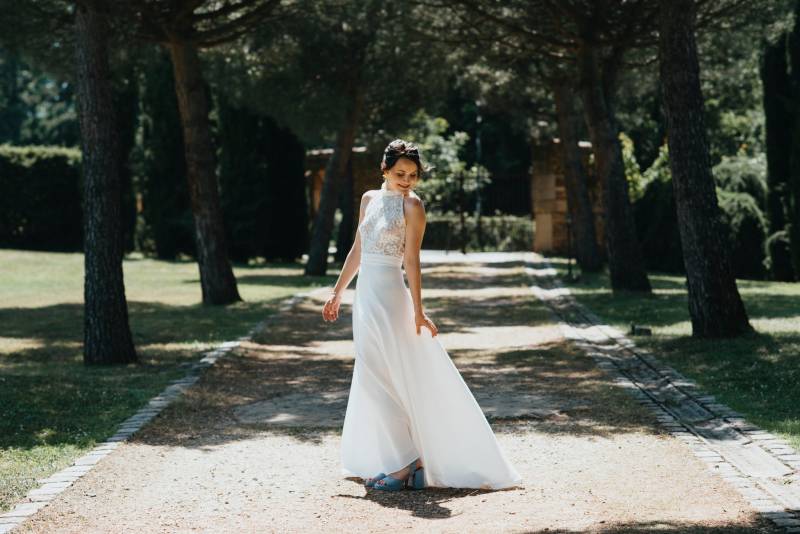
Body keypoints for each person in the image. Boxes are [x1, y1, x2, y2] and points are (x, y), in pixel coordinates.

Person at [321, 139, 522, 491]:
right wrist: (337, 291)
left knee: (392, 377)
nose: (407, 180)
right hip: (364, 298)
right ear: (384, 169)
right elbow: (358, 248)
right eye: (400, 173)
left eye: (413, 175)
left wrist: (418, 311)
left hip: (391, 298)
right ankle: (403, 458)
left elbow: (412, 261)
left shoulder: (413, 206)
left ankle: (405, 464)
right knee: (371, 375)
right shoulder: (369, 199)